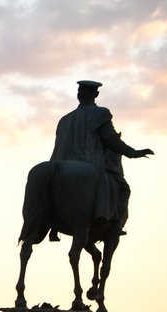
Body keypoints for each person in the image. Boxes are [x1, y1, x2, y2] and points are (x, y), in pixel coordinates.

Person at [50, 79, 153, 227]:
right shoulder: (101, 113)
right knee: (116, 185)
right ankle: (102, 215)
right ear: (96, 94)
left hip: (58, 163)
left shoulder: (64, 119)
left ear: (78, 95)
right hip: (88, 161)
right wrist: (133, 153)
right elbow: (111, 139)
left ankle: (52, 223)